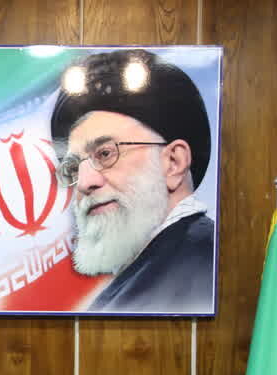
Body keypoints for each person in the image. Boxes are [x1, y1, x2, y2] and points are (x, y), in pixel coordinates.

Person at [50, 49, 215, 314]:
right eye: (72, 168)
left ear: (173, 162)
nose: (83, 183)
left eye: (105, 153)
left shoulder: (201, 269)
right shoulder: (151, 276)